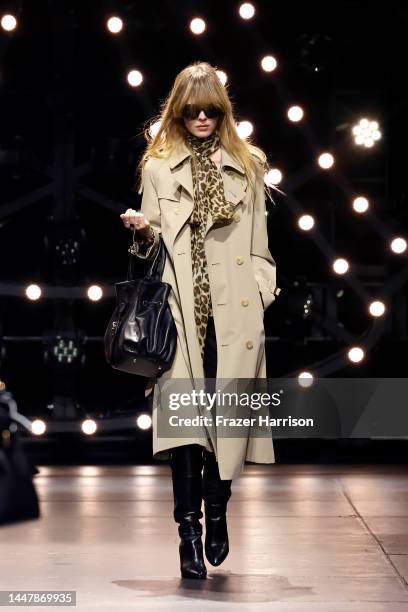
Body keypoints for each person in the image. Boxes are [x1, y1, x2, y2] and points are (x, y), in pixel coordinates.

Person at [120, 61, 281, 579]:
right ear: (179, 110)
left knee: (227, 424)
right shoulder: (158, 165)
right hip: (181, 310)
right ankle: (189, 534)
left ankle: (218, 512)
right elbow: (151, 243)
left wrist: (260, 293)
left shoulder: (249, 162)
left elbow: (260, 244)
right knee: (185, 429)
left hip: (234, 311)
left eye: (212, 109)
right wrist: (143, 230)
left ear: (223, 110)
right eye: (193, 110)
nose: (203, 117)